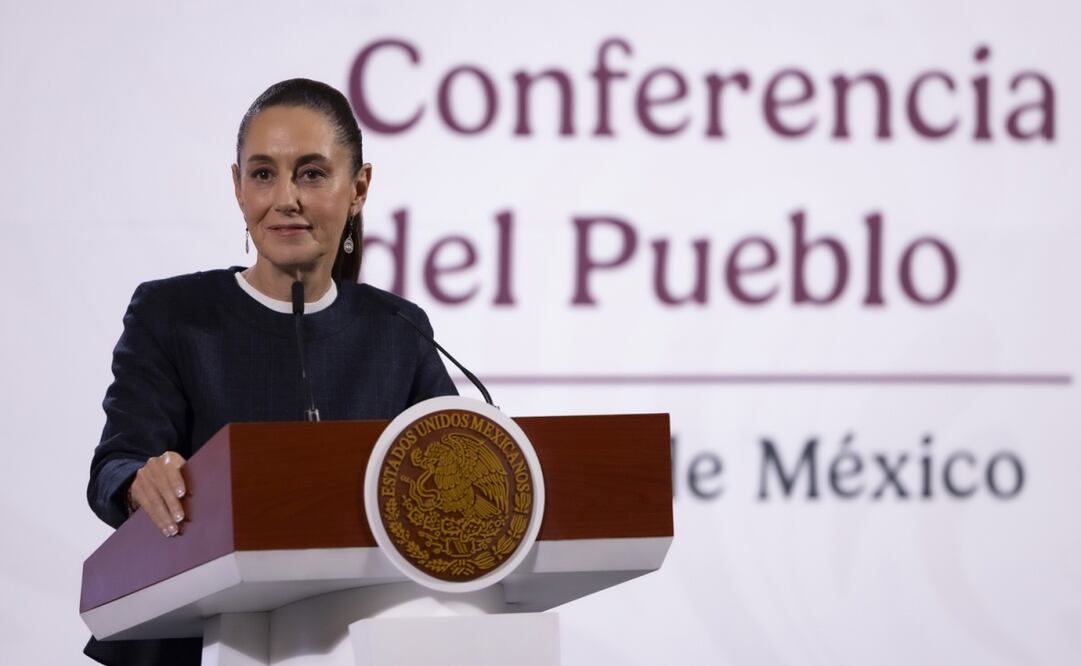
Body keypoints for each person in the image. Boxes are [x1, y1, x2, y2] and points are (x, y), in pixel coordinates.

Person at [84, 78, 457, 665]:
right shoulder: (173, 315)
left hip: (360, 640)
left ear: (359, 187)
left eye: (311, 173)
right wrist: (139, 482)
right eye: (262, 174)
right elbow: (117, 464)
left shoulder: (397, 329)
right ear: (237, 187)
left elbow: (460, 459)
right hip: (189, 639)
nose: (286, 198)